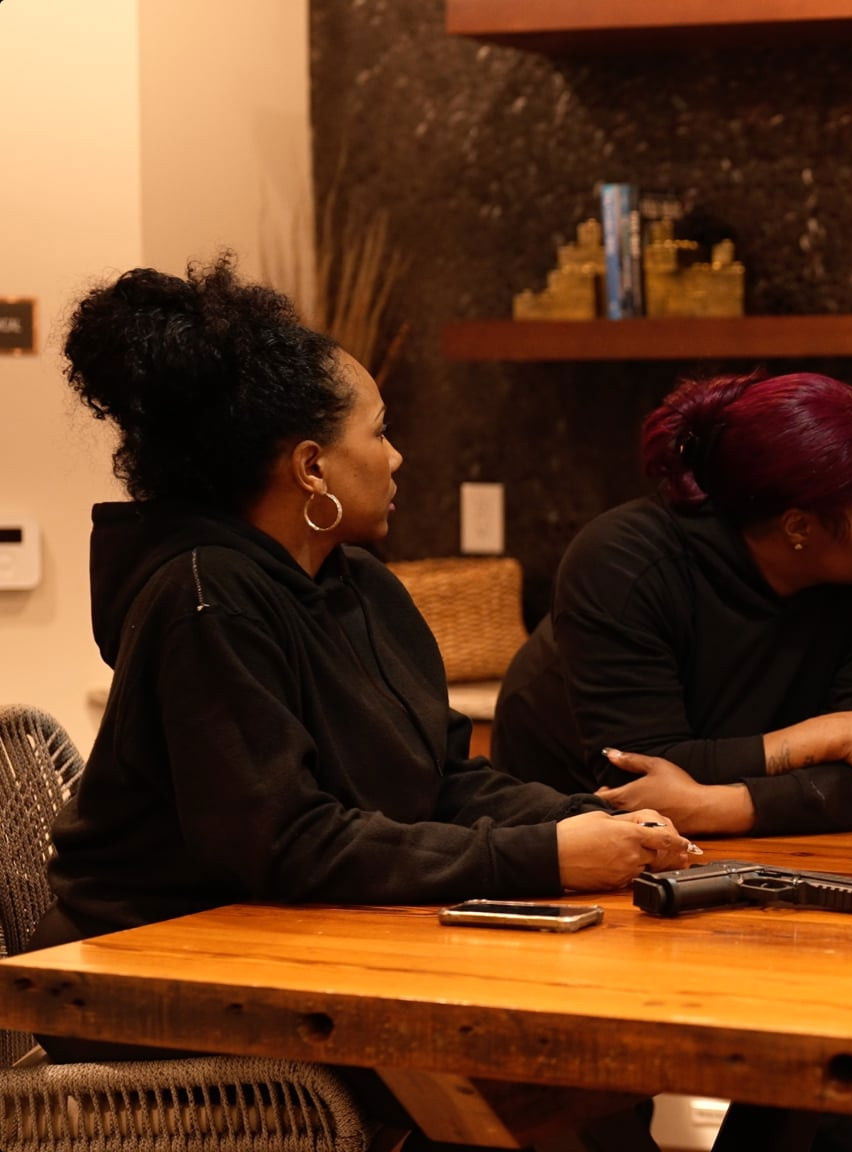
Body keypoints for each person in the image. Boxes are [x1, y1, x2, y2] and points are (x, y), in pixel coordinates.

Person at [33, 257, 690, 1148]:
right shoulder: (205, 600)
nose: (397, 456)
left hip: (287, 947)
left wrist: (593, 821)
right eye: (379, 432)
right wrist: (543, 857)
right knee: (543, 1072)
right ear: (311, 467)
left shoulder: (361, 586)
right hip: (157, 984)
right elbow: (289, 845)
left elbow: (442, 779)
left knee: (595, 1071)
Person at [493, 371, 852, 841]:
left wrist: (711, 808)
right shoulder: (624, 561)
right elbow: (637, 773)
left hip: (768, 840)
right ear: (798, 527)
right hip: (562, 822)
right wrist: (832, 736)